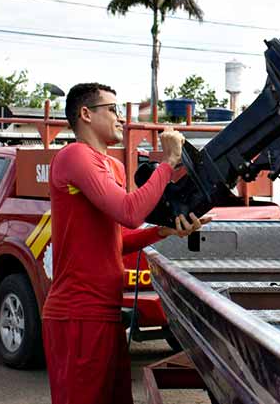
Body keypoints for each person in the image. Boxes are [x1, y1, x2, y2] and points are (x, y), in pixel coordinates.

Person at [42, 82, 209, 404]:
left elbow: (114, 241)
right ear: (86, 114)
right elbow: (130, 212)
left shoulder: (114, 166)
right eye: (113, 109)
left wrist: (163, 232)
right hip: (78, 313)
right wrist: (169, 161)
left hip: (106, 312)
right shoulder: (75, 155)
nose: (121, 118)